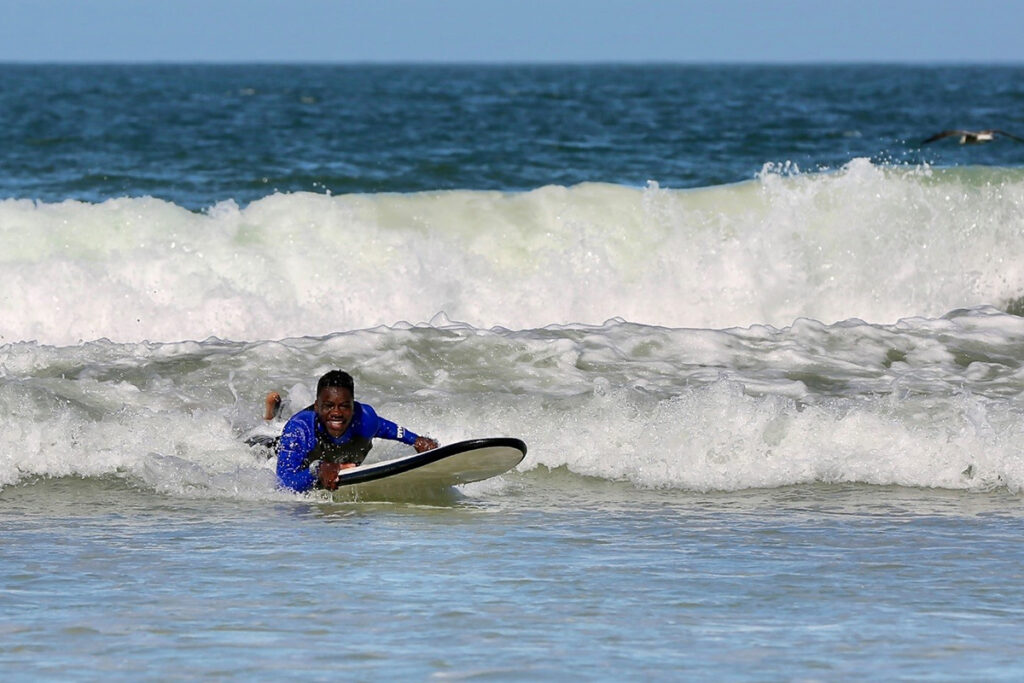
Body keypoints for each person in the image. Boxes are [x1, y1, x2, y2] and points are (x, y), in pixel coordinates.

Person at [275, 370, 438, 492]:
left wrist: (416, 440)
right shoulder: (299, 430)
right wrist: (317, 471)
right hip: (278, 448)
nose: (337, 413)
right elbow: (284, 483)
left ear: (353, 408)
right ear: (317, 407)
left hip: (335, 459)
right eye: (329, 406)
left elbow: (387, 429)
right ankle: (275, 414)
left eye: (344, 406)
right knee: (266, 446)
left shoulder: (365, 418)